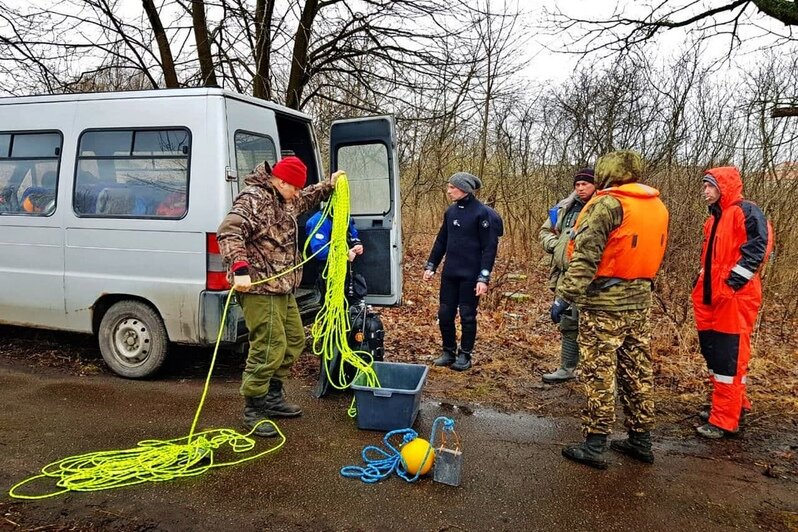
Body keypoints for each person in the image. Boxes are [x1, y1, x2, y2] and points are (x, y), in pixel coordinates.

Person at [552, 150, 669, 469]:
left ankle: (595, 443)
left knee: (598, 370)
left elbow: (586, 258)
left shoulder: (607, 204)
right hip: (640, 301)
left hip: (605, 304)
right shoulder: (656, 205)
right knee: (637, 370)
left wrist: (564, 297)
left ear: (606, 173)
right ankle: (641, 439)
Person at [217, 156, 342, 438]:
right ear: (281, 181)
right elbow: (229, 230)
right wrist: (240, 270)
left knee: (295, 341)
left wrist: (328, 186)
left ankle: (272, 396)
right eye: (294, 187)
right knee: (268, 347)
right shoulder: (254, 198)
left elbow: (305, 198)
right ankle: (254, 408)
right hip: (260, 287)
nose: (298, 193)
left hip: (283, 287)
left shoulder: (284, 197)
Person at [691, 167, 773, 439]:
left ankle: (726, 419)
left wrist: (730, 286)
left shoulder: (746, 212)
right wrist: (700, 284)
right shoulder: (714, 219)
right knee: (715, 354)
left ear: (723, 187)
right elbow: (711, 261)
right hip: (711, 299)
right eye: (704, 186)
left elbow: (757, 252)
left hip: (735, 300)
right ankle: (729, 405)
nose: (705, 191)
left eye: (710, 186)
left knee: (730, 358)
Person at [423, 172, 500, 372]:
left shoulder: (482, 214)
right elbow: (441, 241)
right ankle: (448, 351)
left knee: (467, 315)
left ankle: (465, 354)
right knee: (445, 313)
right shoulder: (450, 212)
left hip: (471, 275)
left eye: (452, 187)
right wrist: (431, 265)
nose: (448, 191)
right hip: (450, 273)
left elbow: (489, 248)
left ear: (464, 189)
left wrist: (483, 277)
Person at [539, 168, 596, 384]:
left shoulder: (600, 209)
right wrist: (555, 245)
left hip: (590, 276)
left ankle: (595, 374)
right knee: (568, 321)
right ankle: (567, 368)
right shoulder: (565, 207)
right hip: (564, 275)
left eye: (586, 184)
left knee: (592, 326)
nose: (580, 189)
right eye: (578, 185)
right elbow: (545, 232)